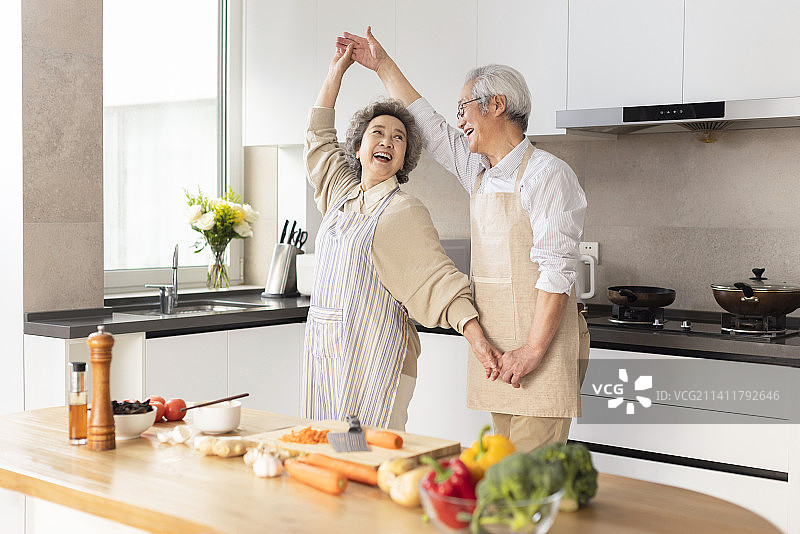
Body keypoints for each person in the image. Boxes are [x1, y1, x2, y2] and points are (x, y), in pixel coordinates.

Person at [339, 28, 590, 451]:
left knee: (529, 480)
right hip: (500, 352)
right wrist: (382, 64)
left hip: (540, 352)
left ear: (497, 105)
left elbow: (558, 271)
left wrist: (530, 351)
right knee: (503, 475)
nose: (458, 121)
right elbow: (429, 124)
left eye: (464, 109)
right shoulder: (480, 172)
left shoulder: (548, 174)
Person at [302, 43, 501, 431]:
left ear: (404, 156)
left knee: (371, 459)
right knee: (329, 458)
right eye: (378, 133)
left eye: (399, 138)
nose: (388, 142)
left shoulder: (403, 210)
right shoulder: (340, 191)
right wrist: (334, 75)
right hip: (327, 355)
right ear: (357, 148)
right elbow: (317, 139)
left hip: (377, 358)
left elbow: (438, 280)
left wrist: (476, 336)